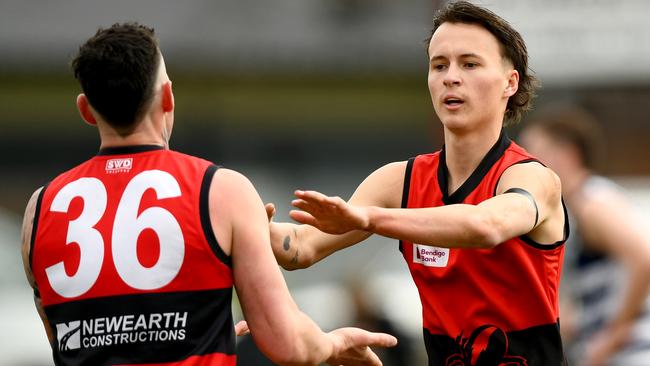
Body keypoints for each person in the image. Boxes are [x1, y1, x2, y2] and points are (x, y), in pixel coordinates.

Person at [19, 22, 397, 366]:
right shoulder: (221, 191)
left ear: (86, 110)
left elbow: (71, 344)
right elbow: (288, 344)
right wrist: (332, 343)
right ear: (167, 98)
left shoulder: (40, 210)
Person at [266, 2, 569, 365]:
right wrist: (231, 217)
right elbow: (300, 249)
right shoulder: (400, 182)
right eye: (439, 65)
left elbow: (485, 225)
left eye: (469, 64)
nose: (450, 77)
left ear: (510, 82)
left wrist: (369, 219)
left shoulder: (532, 178)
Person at [520, 105, 650, 366]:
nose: (525, 164)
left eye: (535, 152)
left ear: (568, 154)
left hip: (631, 354)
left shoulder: (592, 203)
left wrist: (612, 335)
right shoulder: (578, 207)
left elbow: (643, 257)